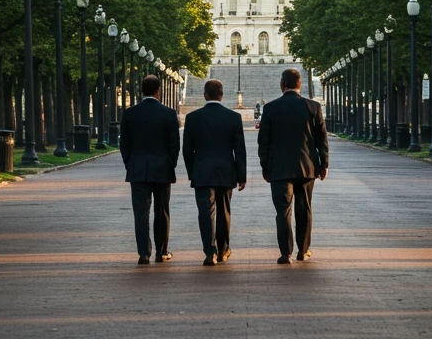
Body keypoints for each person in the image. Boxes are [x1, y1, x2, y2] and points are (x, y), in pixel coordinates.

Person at [257, 68, 329, 264]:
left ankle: (285, 252)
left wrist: (265, 167)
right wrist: (324, 164)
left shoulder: (271, 108)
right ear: (301, 84)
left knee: (283, 211)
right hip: (307, 167)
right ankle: (303, 250)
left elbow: (263, 141)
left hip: (279, 168)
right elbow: (321, 138)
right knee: (304, 209)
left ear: (282, 85)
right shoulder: (313, 106)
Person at [182, 79, 247, 266]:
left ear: (205, 95)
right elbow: (239, 150)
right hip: (226, 171)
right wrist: (241, 176)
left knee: (205, 212)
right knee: (224, 211)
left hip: (201, 171)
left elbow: (187, 150)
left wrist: (192, 171)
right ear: (222, 95)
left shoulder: (193, 118)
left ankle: (209, 252)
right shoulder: (233, 117)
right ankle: (223, 250)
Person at [119, 74, 180, 265]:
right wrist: (171, 163)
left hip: (137, 168)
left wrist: (130, 163)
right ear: (158, 91)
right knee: (162, 212)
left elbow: (125, 144)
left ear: (142, 91)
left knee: (141, 213)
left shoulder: (130, 113)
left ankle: (144, 252)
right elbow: (174, 144)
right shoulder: (169, 113)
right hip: (162, 168)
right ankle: (162, 252)